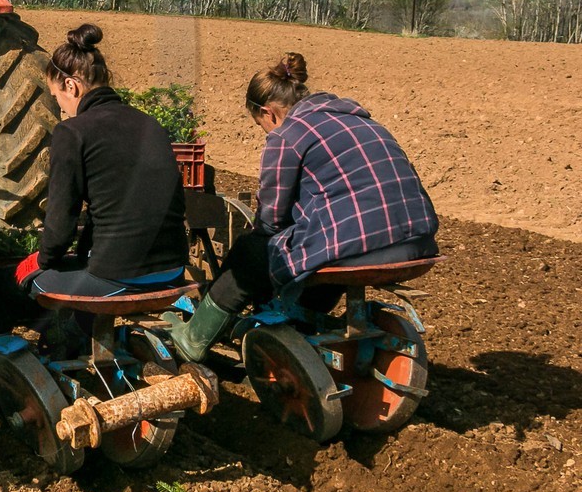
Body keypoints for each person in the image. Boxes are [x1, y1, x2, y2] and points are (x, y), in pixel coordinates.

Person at [0, 23, 188, 376]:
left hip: (118, 277)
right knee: (81, 265)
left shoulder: (74, 132)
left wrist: (44, 259)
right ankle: (71, 337)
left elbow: (60, 224)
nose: (61, 110)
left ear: (72, 85)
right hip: (174, 270)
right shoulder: (151, 125)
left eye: (59, 99)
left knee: (11, 282)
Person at [166, 53, 439, 361]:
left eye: (261, 126)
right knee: (317, 254)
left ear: (268, 113)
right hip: (419, 244)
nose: (266, 133)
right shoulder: (363, 121)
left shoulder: (288, 134)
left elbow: (271, 220)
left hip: (361, 245)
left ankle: (193, 339)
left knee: (251, 252)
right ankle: (301, 321)